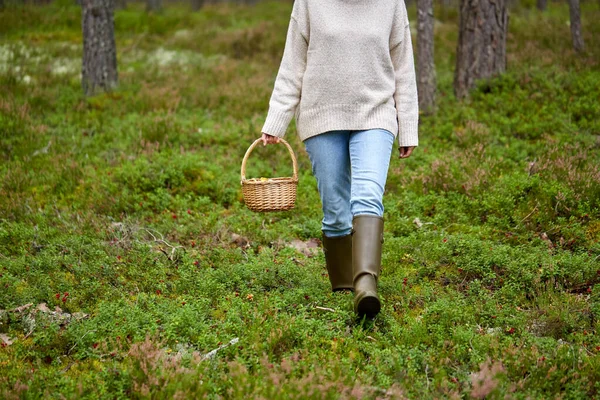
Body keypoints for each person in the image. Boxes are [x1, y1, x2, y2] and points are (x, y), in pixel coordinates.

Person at [260, 0, 419, 318]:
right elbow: (292, 65)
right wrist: (276, 120)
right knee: (335, 210)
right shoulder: (309, 3)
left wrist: (408, 127)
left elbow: (403, 68)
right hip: (321, 115)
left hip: (375, 114)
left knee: (368, 197)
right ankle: (343, 285)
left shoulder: (391, 4)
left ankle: (365, 286)